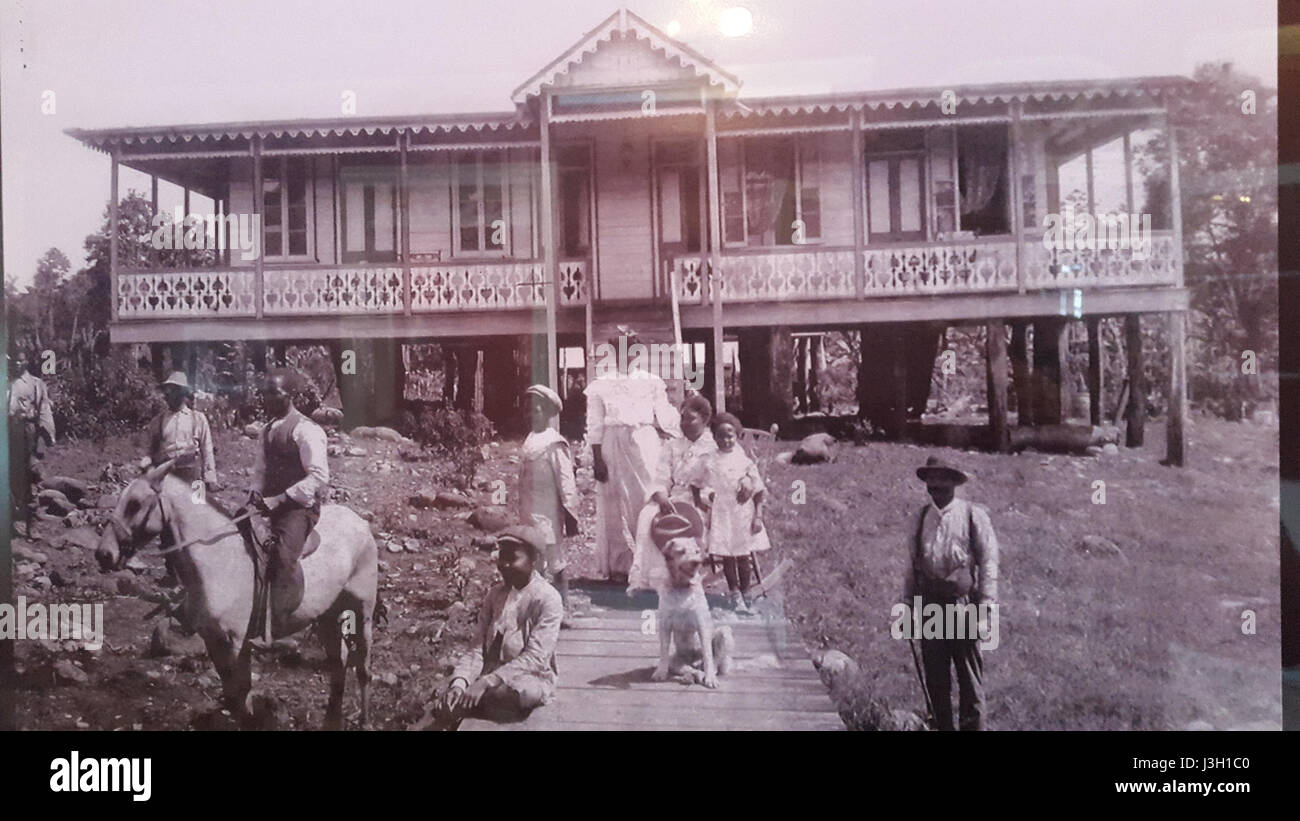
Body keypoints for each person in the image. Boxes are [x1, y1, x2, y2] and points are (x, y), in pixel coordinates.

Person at [900, 455, 1000, 731]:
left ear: (954, 482)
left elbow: (989, 562)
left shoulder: (972, 515)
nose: (937, 486)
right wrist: (906, 607)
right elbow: (911, 565)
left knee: (969, 679)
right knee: (936, 678)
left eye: (943, 480)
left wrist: (987, 609)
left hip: (963, 606)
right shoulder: (920, 518)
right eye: (932, 481)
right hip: (930, 606)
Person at [434, 525, 563, 727]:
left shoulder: (547, 598)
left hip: (527, 676)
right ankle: (462, 699)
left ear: (534, 561)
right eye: (502, 557)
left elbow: (536, 657)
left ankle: (471, 703)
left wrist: (488, 681)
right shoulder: (495, 595)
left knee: (509, 695)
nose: (505, 565)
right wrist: (461, 682)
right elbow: (476, 648)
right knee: (451, 689)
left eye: (513, 558)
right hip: (489, 671)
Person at [584, 326, 681, 582]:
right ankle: (619, 564)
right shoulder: (600, 385)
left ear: (638, 353)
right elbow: (594, 424)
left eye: (632, 351)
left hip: (644, 442)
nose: (626, 356)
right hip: (611, 442)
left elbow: (666, 416)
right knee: (613, 503)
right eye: (621, 351)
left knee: (647, 499)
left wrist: (685, 427)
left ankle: (650, 563)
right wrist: (597, 458)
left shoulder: (650, 382)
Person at [247, 369, 330, 636]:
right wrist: (254, 496)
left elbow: (319, 477)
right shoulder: (267, 430)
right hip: (269, 503)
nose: (268, 398)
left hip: (298, 507)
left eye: (275, 393)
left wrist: (282, 498)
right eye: (266, 392)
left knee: (282, 556)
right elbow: (260, 470)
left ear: (290, 395)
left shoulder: (306, 430)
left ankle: (279, 625)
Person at [627, 394, 717, 594]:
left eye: (690, 418)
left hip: (699, 501)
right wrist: (661, 495)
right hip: (672, 497)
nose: (684, 423)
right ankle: (650, 579)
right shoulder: (673, 446)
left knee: (688, 519)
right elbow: (661, 476)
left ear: (704, 418)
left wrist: (703, 497)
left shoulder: (713, 447)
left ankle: (686, 576)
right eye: (682, 418)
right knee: (648, 515)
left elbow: (716, 482)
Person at [689, 412, 771, 613]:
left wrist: (758, 515)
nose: (726, 440)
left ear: (737, 435)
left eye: (730, 436)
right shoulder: (709, 459)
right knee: (728, 555)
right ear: (714, 437)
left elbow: (759, 489)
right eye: (721, 436)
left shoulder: (743, 459)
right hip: (722, 512)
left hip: (743, 512)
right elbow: (695, 481)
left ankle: (746, 592)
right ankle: (734, 593)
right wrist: (699, 500)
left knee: (743, 555)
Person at [517, 384, 580, 618]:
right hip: (529, 511)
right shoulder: (531, 439)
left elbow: (566, 481)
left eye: (536, 410)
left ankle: (563, 609)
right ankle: (539, 610)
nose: (531, 415)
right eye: (528, 410)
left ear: (547, 412)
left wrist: (570, 512)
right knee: (534, 560)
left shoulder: (554, 443)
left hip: (548, 512)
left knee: (555, 560)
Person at [140, 372, 219, 488]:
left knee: (198, 503)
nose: (167, 395)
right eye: (166, 391)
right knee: (163, 504)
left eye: (172, 391)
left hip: (193, 475)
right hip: (166, 475)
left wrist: (210, 478)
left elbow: (207, 450)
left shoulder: (198, 419)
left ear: (183, 393)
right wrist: (145, 467)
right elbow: (149, 451)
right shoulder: (158, 421)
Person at [7, 348, 55, 537]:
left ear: (26, 362)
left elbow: (44, 411)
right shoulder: (6, 383)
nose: (17, 364)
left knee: (31, 475)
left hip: (28, 432)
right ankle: (13, 523)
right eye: (14, 361)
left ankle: (32, 524)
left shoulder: (35, 384)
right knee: (10, 476)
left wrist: (45, 438)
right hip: (8, 431)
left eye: (20, 361)